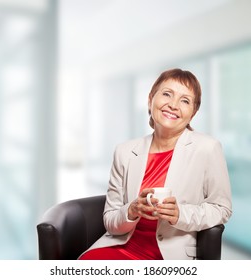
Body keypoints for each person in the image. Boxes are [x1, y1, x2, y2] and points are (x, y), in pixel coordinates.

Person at [78, 68, 232, 260]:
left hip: (170, 254)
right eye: (167, 94)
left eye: (185, 100)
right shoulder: (124, 152)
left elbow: (222, 208)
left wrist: (180, 214)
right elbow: (110, 221)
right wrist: (132, 210)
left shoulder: (207, 148)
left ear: (193, 113)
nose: (173, 105)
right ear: (150, 100)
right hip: (123, 246)